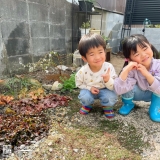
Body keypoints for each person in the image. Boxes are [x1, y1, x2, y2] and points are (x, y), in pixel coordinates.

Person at [114, 34, 160, 122]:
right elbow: (118, 90)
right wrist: (125, 70)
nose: (143, 55)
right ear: (129, 58)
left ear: (149, 46)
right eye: (136, 54)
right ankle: (128, 104)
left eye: (145, 49)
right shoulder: (132, 69)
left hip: (153, 95)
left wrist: (146, 74)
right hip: (137, 94)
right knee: (126, 83)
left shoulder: (158, 65)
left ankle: (154, 108)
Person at [75, 33, 118, 118]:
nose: (97, 57)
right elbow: (79, 84)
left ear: (104, 52)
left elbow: (113, 86)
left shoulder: (109, 67)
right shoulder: (82, 71)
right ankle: (87, 105)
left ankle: (107, 106)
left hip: (105, 89)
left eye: (100, 52)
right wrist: (89, 88)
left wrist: (107, 80)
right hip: (89, 90)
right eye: (92, 54)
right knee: (84, 96)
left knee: (110, 96)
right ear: (84, 58)